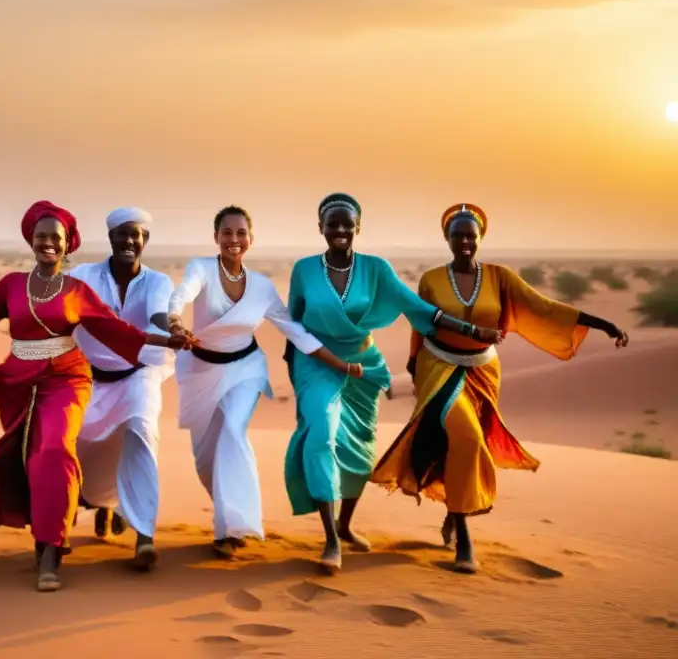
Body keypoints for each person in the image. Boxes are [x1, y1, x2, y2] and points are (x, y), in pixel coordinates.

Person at [0, 200, 192, 592]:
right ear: (31, 241)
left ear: (68, 246)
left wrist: (168, 338)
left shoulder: (77, 290)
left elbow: (118, 330)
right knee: (32, 459)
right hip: (19, 381)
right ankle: (48, 530)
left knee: (54, 450)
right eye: (41, 237)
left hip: (66, 379)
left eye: (56, 238)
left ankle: (51, 550)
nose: (48, 243)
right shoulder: (12, 285)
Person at [370, 203, 629, 573]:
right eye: (457, 235)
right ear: (447, 238)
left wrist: (603, 324)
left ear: (480, 239)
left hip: (483, 370)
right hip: (438, 365)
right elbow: (421, 322)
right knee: (468, 438)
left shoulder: (499, 277)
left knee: (461, 443)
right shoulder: (431, 279)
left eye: (470, 236)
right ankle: (465, 539)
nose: (464, 241)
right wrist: (413, 364)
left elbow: (544, 307)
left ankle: (452, 508)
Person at [283, 193, 505, 572]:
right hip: (316, 363)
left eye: (346, 224)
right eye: (331, 224)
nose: (339, 230)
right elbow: (294, 326)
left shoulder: (376, 269)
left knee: (358, 452)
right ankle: (331, 542)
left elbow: (419, 309)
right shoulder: (304, 270)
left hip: (363, 367)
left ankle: (345, 525)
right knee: (321, 430)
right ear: (320, 228)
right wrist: (295, 377)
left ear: (358, 228)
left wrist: (469, 329)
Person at [165, 205, 363, 561]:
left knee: (233, 433)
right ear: (216, 237)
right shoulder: (202, 269)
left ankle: (229, 530)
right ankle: (231, 513)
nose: (234, 240)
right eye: (227, 232)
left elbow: (295, 331)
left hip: (245, 369)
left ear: (251, 240)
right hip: (200, 372)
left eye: (241, 233)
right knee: (205, 459)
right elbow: (183, 293)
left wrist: (340, 364)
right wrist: (175, 320)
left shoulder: (262, 287)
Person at [69, 207, 175, 571]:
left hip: (138, 373)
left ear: (145, 240)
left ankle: (144, 536)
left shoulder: (158, 281)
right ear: (111, 237)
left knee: (141, 432)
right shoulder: (83, 276)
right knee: (80, 440)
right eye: (123, 234)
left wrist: (170, 333)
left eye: (137, 235)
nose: (130, 241)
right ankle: (101, 503)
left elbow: (159, 315)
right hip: (90, 377)